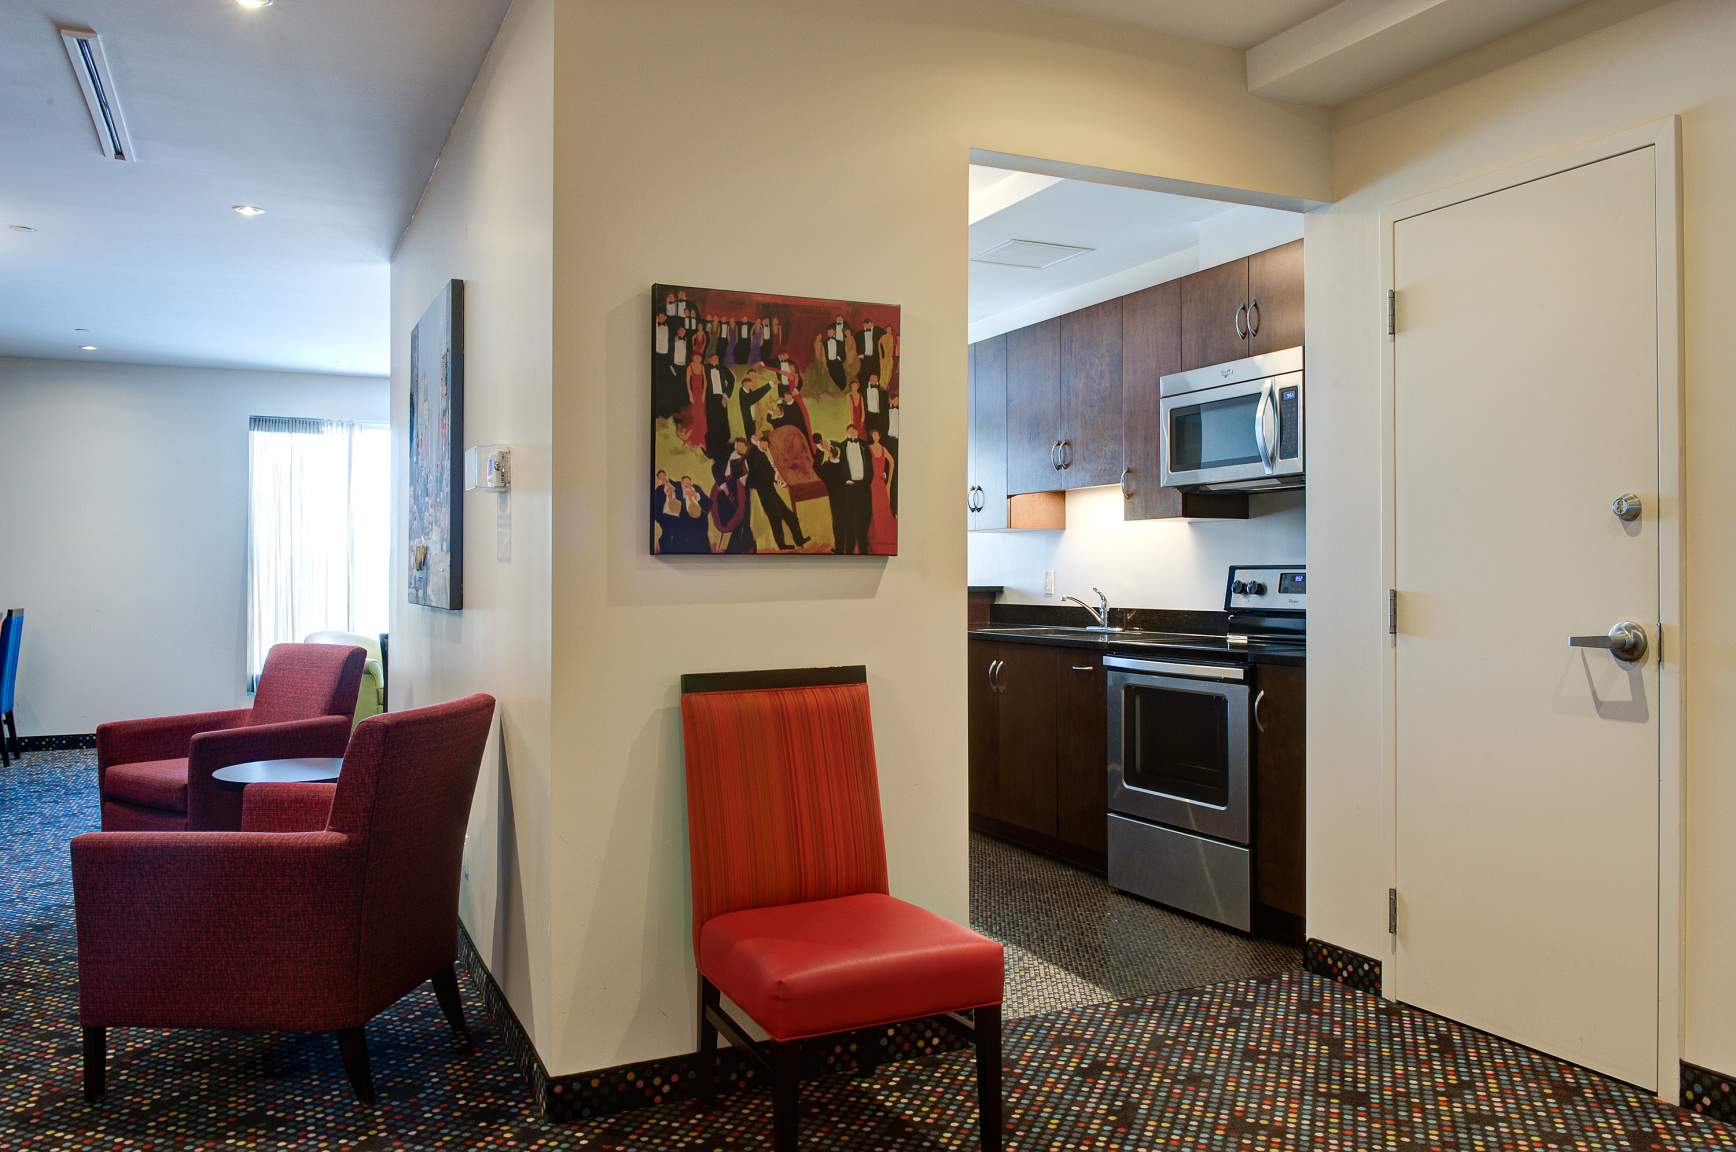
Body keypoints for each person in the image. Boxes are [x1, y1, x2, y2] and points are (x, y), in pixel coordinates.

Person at [745, 434, 808, 550]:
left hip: (771, 491)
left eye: (766, 446)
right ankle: (782, 545)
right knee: (775, 519)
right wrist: (775, 477)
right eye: (764, 445)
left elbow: (769, 470)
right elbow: (760, 473)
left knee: (789, 515)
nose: (765, 447)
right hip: (764, 493)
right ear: (758, 442)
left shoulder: (762, 453)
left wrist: (777, 478)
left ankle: (799, 539)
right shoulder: (753, 454)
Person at [838, 424, 871, 555]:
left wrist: (867, 481)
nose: (852, 433)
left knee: (864, 515)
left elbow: (870, 465)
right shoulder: (841, 446)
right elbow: (840, 466)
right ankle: (850, 548)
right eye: (850, 431)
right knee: (850, 517)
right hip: (849, 487)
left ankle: (863, 545)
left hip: (863, 486)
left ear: (857, 432)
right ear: (847, 433)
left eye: (854, 430)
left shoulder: (864, 445)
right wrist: (845, 479)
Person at [710, 458, 754, 554]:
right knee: (742, 521)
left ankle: (746, 546)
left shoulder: (738, 484)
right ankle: (743, 547)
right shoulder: (728, 480)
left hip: (734, 506)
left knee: (743, 521)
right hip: (727, 512)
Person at [814, 436, 849, 553]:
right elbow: (841, 448)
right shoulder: (843, 464)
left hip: (835, 499)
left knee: (838, 523)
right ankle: (845, 548)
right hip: (846, 496)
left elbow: (815, 467)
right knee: (845, 522)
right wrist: (828, 445)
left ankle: (840, 549)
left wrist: (821, 449)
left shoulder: (827, 467)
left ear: (830, 455)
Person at [867, 429, 896, 555]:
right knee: (875, 509)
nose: (875, 437)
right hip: (871, 483)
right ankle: (876, 537)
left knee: (883, 508)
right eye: (873, 435)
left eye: (877, 435)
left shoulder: (883, 449)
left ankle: (884, 536)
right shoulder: (868, 448)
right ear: (871, 436)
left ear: (879, 436)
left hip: (881, 483)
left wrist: (889, 480)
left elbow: (892, 462)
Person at [703, 354, 735, 455]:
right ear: (709, 359)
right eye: (713, 358)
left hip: (721, 398)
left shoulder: (723, 368)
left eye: (717, 358)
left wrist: (726, 396)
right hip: (709, 399)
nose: (715, 360)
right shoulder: (704, 368)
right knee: (711, 423)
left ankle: (724, 447)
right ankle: (710, 450)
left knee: (723, 421)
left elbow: (732, 379)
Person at [680, 352, 708, 450]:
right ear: (693, 358)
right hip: (693, 393)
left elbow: (705, 382)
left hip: (701, 393)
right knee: (695, 415)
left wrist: (704, 394)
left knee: (701, 416)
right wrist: (690, 394)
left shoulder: (702, 367)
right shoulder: (690, 367)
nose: (697, 359)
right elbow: (687, 382)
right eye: (696, 357)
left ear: (701, 359)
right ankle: (689, 437)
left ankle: (700, 440)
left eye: (699, 357)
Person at [821, 320, 848, 391]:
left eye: (830, 331)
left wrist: (839, 359)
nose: (829, 333)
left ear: (834, 332)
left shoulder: (840, 342)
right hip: (829, 363)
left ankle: (842, 389)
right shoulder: (824, 343)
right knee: (832, 378)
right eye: (828, 332)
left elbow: (843, 354)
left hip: (837, 362)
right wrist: (825, 364)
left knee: (841, 377)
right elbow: (823, 355)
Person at [862, 372, 888, 442]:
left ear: (878, 379)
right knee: (869, 434)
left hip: (878, 415)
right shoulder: (864, 388)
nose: (873, 379)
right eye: (872, 377)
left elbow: (885, 403)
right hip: (868, 415)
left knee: (879, 434)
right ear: (869, 378)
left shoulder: (882, 389)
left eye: (875, 378)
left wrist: (885, 391)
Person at [857, 317, 882, 384]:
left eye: (869, 325)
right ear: (863, 325)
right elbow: (855, 344)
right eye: (866, 325)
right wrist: (859, 354)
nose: (868, 326)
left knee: (875, 375)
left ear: (872, 324)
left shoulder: (878, 332)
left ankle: (875, 387)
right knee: (864, 375)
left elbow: (885, 338)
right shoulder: (859, 334)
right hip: (864, 358)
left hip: (875, 358)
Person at [877, 323, 897, 389]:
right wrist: (880, 356)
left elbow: (893, 347)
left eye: (890, 329)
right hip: (884, 357)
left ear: (891, 330)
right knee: (883, 371)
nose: (889, 330)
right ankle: (881, 385)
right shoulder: (883, 337)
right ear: (886, 330)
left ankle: (885, 385)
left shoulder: (892, 337)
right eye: (888, 329)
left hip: (890, 358)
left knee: (889, 372)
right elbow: (879, 345)